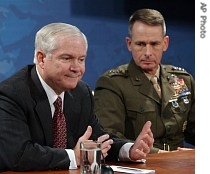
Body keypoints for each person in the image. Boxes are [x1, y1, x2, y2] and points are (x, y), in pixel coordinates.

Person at [0, 22, 154, 172]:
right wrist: (74, 157)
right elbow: (18, 155)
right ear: (41, 59)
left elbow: (97, 140)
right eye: (66, 58)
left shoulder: (81, 93)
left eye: (81, 59)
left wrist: (129, 150)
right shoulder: (11, 94)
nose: (76, 68)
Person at [94, 9, 195, 153]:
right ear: (129, 44)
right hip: (140, 164)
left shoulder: (184, 79)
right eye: (141, 44)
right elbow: (108, 138)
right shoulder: (112, 83)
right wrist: (159, 154)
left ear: (165, 43)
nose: (148, 52)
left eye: (154, 44)